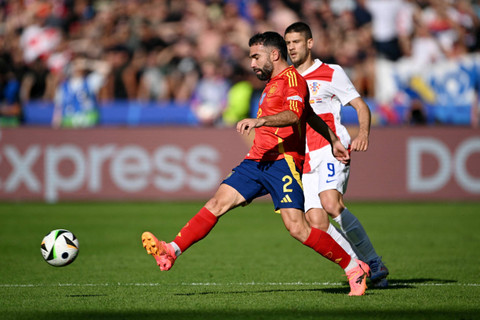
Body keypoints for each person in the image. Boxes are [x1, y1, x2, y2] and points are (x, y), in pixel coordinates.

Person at [142, 31, 370, 296]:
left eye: (255, 56)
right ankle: (171, 250)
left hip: (283, 161)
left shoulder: (293, 80)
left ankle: (354, 267)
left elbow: (295, 116)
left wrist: (260, 121)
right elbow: (310, 114)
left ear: (274, 54)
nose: (251, 63)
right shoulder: (273, 83)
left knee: (297, 227)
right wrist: (331, 139)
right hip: (258, 160)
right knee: (217, 203)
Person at [284, 22, 389, 287]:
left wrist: (363, 133)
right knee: (316, 223)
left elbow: (360, 106)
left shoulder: (331, 72)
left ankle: (373, 260)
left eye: (296, 42)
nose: (291, 47)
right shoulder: (287, 80)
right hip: (306, 159)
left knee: (331, 204)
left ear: (310, 43)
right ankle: (360, 267)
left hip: (332, 148)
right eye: (287, 43)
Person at [52, 55, 110, 128]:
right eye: (74, 64)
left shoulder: (90, 81)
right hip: (69, 121)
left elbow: (106, 68)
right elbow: (59, 105)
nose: (76, 68)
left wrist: (86, 63)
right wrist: (56, 122)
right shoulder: (63, 86)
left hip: (88, 120)